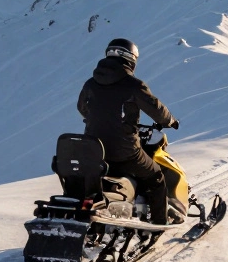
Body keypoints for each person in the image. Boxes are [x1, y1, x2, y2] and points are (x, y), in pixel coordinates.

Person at [77, 38, 181, 224]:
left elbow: (82, 108)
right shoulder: (133, 85)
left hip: (95, 152)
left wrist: (95, 119)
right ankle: (159, 224)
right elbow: (156, 108)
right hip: (124, 152)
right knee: (156, 177)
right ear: (131, 58)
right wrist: (170, 121)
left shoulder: (91, 83)